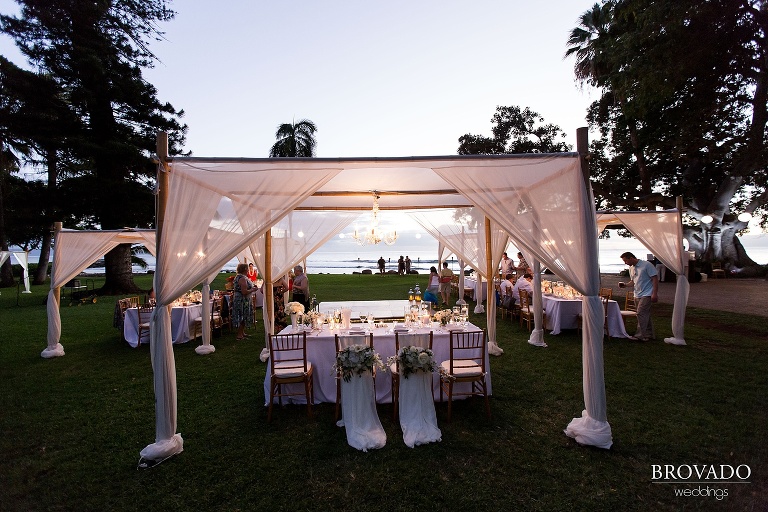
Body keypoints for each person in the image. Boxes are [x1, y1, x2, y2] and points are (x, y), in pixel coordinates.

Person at [619, 251, 659, 341]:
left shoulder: (646, 265)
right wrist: (625, 285)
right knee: (645, 314)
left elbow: (655, 278)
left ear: (631, 258)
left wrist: (654, 293)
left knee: (641, 313)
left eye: (626, 261)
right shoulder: (631, 268)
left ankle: (640, 335)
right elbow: (633, 281)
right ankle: (649, 334)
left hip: (647, 293)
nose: (625, 263)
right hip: (637, 294)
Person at [233, 263, 257, 340]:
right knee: (242, 315)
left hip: (242, 299)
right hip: (242, 300)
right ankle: (239, 335)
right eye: (247, 268)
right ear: (245, 269)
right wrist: (253, 290)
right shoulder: (242, 278)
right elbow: (244, 291)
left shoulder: (239, 277)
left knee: (243, 315)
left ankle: (242, 333)